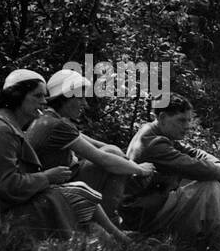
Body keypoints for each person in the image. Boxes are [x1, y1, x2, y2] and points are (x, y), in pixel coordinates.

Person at [0, 69, 79, 236]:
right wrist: (47, 177)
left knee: (65, 193)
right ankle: (71, 248)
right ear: (16, 96)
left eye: (44, 96)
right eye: (37, 96)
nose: (44, 102)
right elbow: (9, 187)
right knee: (57, 196)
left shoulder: (9, 126)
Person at [26, 69, 156, 224]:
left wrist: (126, 160)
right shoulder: (57, 125)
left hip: (55, 184)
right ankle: (108, 222)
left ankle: (112, 217)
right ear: (65, 98)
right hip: (52, 190)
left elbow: (94, 144)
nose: (84, 104)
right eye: (80, 98)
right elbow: (103, 159)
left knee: (114, 152)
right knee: (112, 157)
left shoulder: (51, 118)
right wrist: (140, 169)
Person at [121, 95, 220, 251]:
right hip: (142, 218)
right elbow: (193, 167)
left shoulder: (154, 131)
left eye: (189, 120)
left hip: (152, 204)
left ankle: (215, 239)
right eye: (181, 120)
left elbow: (192, 152)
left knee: (205, 179)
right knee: (209, 186)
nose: (187, 126)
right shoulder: (153, 144)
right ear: (162, 118)